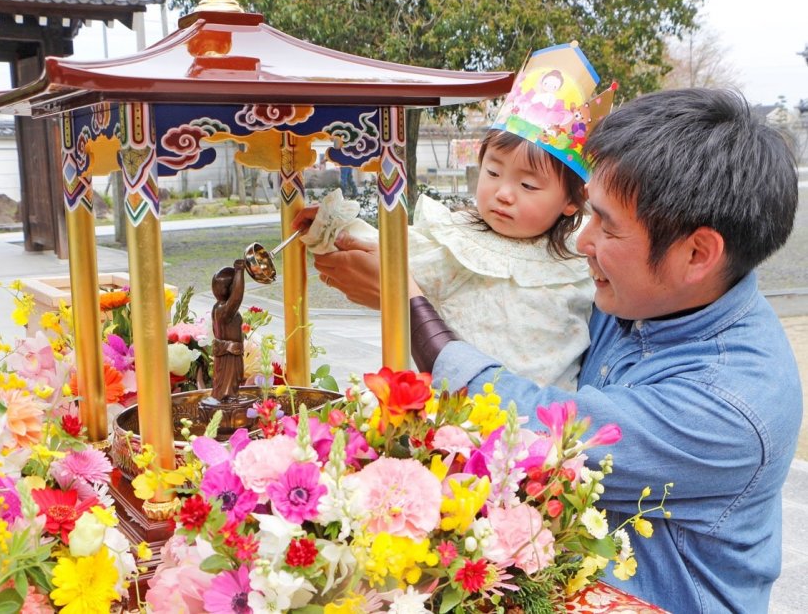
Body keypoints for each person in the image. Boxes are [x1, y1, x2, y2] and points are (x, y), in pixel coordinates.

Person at [310, 88, 801, 612]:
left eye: (606, 225)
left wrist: (407, 304)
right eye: (589, 214)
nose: (582, 241)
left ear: (698, 253)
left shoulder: (731, 405)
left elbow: (537, 429)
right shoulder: (649, 296)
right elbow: (510, 311)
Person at [301, 42, 614, 390]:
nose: (503, 193)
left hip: (548, 423)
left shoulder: (583, 256)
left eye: (527, 184)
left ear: (572, 201)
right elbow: (390, 248)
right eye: (493, 173)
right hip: (461, 415)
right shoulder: (455, 243)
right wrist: (332, 225)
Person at [210, 259, 246, 402]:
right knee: (230, 382)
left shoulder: (217, 308)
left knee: (230, 381)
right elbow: (237, 298)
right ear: (230, 289)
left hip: (227, 353)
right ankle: (228, 397)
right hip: (229, 355)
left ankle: (228, 396)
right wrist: (239, 271)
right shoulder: (224, 310)